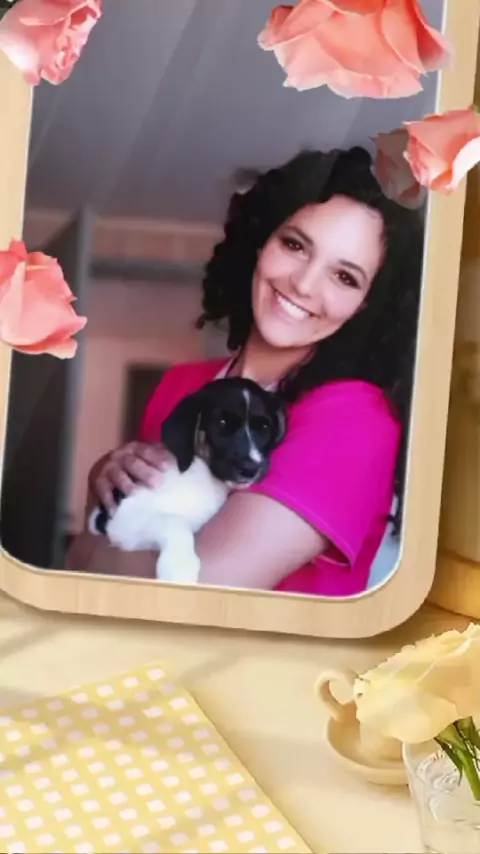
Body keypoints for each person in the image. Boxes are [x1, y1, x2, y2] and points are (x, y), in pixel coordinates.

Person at [67, 146, 423, 596]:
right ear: (261, 239)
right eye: (295, 245)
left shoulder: (353, 417)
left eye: (345, 277)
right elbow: (84, 562)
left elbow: (205, 592)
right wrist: (102, 484)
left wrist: (93, 554)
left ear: (366, 306)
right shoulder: (180, 386)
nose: (303, 284)